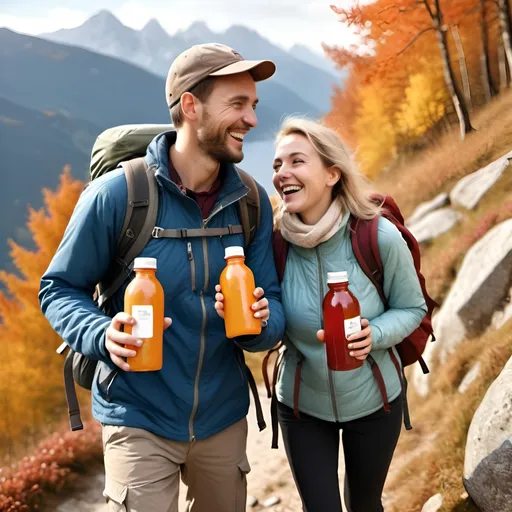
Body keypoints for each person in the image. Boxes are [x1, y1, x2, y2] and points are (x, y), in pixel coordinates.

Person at [39, 43, 285, 512]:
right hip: (137, 415)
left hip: (223, 416)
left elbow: (271, 305)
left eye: (253, 105)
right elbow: (58, 287)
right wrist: (100, 332)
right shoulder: (119, 195)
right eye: (237, 104)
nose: (252, 120)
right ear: (190, 106)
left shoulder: (252, 202)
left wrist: (261, 320)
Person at [216, 117, 428, 512]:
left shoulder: (377, 236)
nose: (282, 174)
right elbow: (270, 321)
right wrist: (254, 317)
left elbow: (412, 307)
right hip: (301, 406)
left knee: (364, 504)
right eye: (277, 165)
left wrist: (375, 334)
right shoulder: (274, 243)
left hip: (375, 400)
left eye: (297, 161)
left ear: (333, 173)